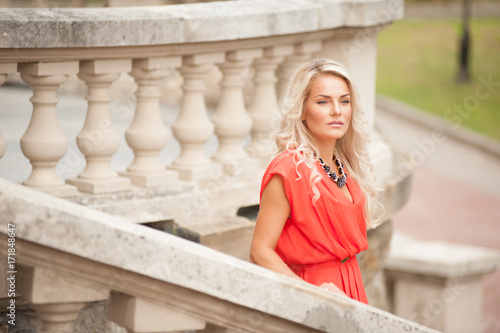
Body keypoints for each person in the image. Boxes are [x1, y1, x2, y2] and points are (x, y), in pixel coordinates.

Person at [249, 58, 381, 304]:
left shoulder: (344, 166)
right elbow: (260, 251)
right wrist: (311, 295)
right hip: (313, 294)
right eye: (323, 102)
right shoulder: (289, 169)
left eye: (344, 101)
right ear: (302, 109)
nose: (337, 111)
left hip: (351, 285)